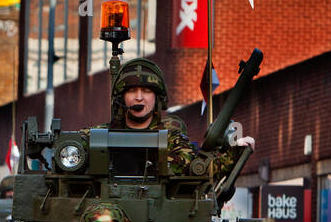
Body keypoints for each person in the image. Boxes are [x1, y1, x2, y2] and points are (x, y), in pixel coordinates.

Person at [87, 58, 228, 179]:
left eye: (147, 91)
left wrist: (236, 150)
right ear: (121, 98)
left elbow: (199, 169)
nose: (139, 97)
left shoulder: (172, 139)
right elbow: (71, 149)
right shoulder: (99, 136)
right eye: (131, 91)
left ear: (157, 99)